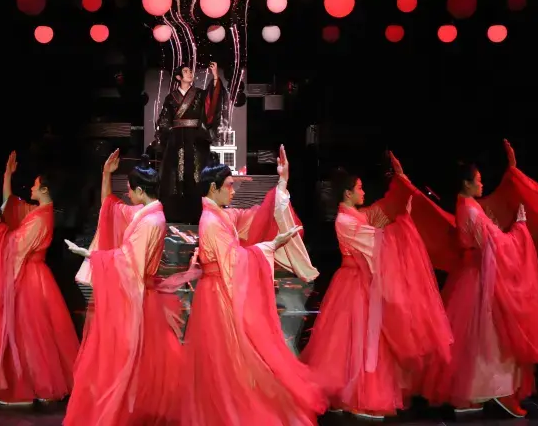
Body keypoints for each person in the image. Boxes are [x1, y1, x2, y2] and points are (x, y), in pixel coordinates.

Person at [409, 140, 538, 418]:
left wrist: (513, 174)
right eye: (478, 181)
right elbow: (494, 243)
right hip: (481, 279)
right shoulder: (471, 209)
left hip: (470, 277)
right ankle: (498, 390)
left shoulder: (466, 205)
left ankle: (470, 394)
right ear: (466, 184)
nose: (482, 184)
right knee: (491, 338)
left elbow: (486, 237)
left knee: (474, 340)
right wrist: (520, 229)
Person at [177, 145, 327, 425]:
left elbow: (257, 216)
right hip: (218, 297)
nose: (233, 192)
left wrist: (281, 183)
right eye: (229, 186)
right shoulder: (211, 221)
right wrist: (270, 246)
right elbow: (234, 261)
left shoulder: (220, 215)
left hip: (219, 292)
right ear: (213, 188)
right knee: (229, 359)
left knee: (230, 360)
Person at [300, 153, 452, 419]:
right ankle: (357, 395)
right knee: (355, 340)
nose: (363, 192)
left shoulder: (356, 215)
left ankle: (356, 393)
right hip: (353, 285)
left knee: (362, 340)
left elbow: (383, 208)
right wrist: (398, 229)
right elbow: (377, 242)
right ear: (347, 194)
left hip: (363, 282)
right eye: (359, 188)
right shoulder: (345, 221)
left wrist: (401, 183)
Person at [63, 150, 185, 425]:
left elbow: (129, 261)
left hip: (140, 299)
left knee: (131, 359)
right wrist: (106, 174)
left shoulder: (150, 221)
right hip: (144, 296)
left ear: (141, 191)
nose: (127, 194)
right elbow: (111, 208)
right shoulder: (148, 214)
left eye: (130, 189)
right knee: (137, 360)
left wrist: (91, 255)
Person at [0, 152, 79, 405]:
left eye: (35, 185)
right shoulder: (40, 211)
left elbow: (16, 244)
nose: (31, 187)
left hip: (31, 278)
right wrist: (7, 176)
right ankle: (34, 383)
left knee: (30, 334)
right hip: (33, 275)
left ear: (45, 189)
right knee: (30, 333)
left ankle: (34, 384)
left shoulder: (42, 217)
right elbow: (12, 206)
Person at [146, 62, 226, 224]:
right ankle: (175, 214)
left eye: (190, 71)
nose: (190, 73)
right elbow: (164, 120)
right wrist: (168, 135)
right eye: (186, 71)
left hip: (196, 140)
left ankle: (198, 215)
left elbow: (212, 103)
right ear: (178, 77)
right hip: (176, 141)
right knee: (176, 176)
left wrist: (215, 77)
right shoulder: (171, 98)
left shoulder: (200, 94)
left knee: (197, 174)